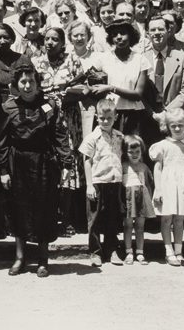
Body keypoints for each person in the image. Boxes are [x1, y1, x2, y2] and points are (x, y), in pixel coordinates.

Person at [0, 65, 73, 277]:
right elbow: (1, 142)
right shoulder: (8, 108)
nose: (27, 86)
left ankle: (42, 260)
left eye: (31, 81)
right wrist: (3, 170)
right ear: (16, 86)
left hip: (43, 163)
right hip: (17, 163)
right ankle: (20, 258)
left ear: (38, 84)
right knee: (18, 210)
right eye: (23, 82)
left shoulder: (50, 105)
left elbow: (59, 135)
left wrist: (66, 163)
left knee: (44, 210)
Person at [149, 109, 184, 266]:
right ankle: (168, 251)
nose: (177, 129)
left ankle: (179, 250)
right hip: (168, 186)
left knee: (179, 220)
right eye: (173, 126)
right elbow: (157, 169)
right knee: (166, 219)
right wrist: (158, 189)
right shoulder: (162, 146)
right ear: (167, 127)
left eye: (180, 125)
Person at [80, 98, 125, 267]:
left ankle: (112, 249)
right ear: (97, 117)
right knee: (95, 219)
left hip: (115, 182)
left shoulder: (120, 137)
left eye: (109, 118)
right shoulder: (93, 137)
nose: (105, 121)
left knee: (113, 217)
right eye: (101, 118)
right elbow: (86, 160)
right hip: (98, 182)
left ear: (115, 117)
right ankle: (95, 252)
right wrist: (89, 185)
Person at [120, 135, 155, 265]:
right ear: (125, 152)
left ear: (142, 151)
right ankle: (129, 252)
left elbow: (148, 185)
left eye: (137, 152)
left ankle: (140, 252)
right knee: (128, 226)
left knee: (140, 227)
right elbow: (120, 187)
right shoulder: (123, 166)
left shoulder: (144, 167)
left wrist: (150, 201)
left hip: (141, 201)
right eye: (131, 152)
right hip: (128, 200)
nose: (134, 155)